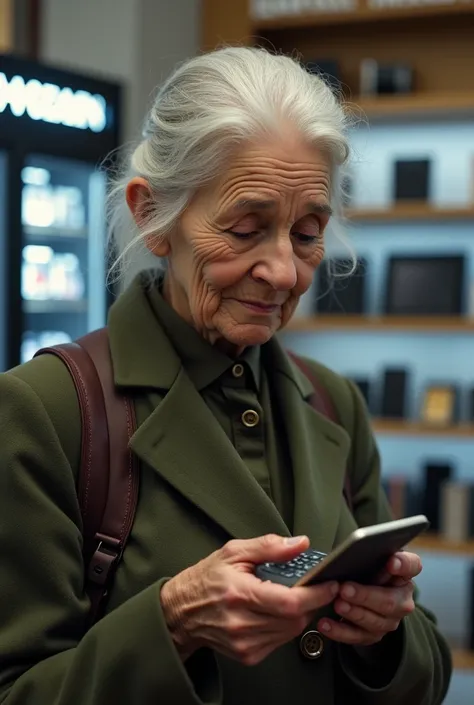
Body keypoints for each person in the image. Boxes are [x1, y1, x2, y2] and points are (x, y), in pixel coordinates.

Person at [0, 46, 452, 705]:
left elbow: (427, 670)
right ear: (153, 214)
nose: (284, 272)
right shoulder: (45, 410)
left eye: (306, 233)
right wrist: (172, 623)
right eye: (246, 228)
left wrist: (382, 633)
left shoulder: (335, 404)